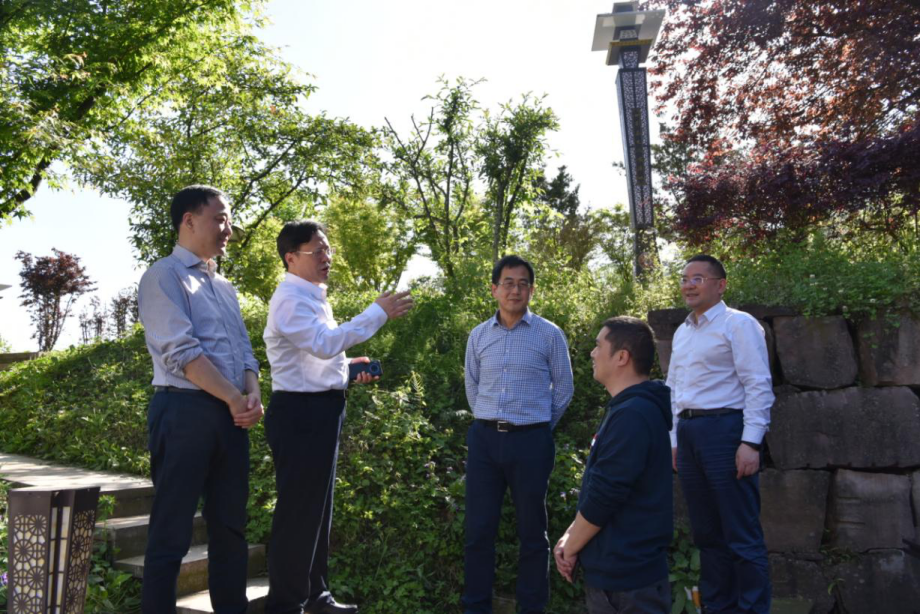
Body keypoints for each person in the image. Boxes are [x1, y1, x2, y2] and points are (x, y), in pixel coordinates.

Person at [262, 220, 413, 614]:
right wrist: (376, 313)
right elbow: (323, 343)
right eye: (317, 250)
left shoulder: (311, 296)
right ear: (291, 258)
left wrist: (347, 368)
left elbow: (315, 358)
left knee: (317, 511)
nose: (326, 257)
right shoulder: (290, 298)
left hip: (319, 409)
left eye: (327, 249)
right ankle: (285, 605)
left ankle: (316, 596)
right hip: (300, 415)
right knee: (299, 514)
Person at [137, 185, 264, 614]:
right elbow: (181, 353)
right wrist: (234, 397)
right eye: (220, 219)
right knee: (171, 530)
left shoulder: (224, 287)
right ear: (188, 221)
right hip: (183, 412)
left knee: (230, 527)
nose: (229, 228)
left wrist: (252, 395)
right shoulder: (163, 276)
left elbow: (244, 352)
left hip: (231, 416)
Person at [463, 254, 574, 614]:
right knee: (479, 531)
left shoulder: (549, 334)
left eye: (523, 283)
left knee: (532, 532)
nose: (515, 290)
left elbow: (564, 389)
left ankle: (532, 608)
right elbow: (472, 387)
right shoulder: (478, 335)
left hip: (531, 442)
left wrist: (538, 426)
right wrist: (490, 420)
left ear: (531, 290)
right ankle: (476, 607)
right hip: (484, 441)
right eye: (508, 283)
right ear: (494, 289)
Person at [667, 254, 773, 613]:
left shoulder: (738, 324)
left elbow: (757, 383)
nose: (688, 285)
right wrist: (674, 440)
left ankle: (753, 608)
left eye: (697, 278)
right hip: (689, 434)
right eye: (685, 278)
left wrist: (750, 442)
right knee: (707, 535)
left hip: (726, 431)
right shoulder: (682, 331)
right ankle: (717, 607)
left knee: (741, 533)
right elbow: (673, 388)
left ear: (721, 285)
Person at [554, 316, 672, 614]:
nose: (592, 353)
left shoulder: (633, 415)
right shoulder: (627, 409)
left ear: (621, 357)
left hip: (628, 584)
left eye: (598, 346)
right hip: (618, 577)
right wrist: (570, 536)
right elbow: (600, 488)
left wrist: (570, 546)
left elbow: (606, 495)